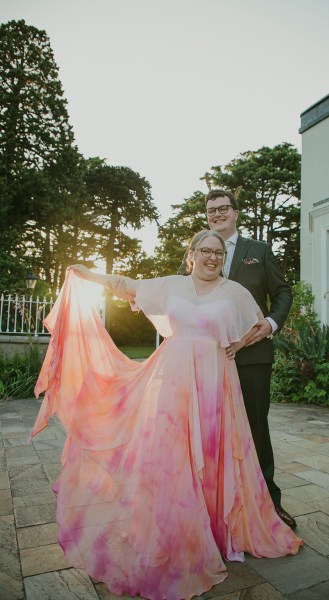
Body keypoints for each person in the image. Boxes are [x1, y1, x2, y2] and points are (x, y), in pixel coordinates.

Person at [30, 230, 302, 600]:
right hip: (173, 380)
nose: (211, 257)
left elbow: (257, 324)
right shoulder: (171, 285)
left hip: (215, 382)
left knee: (211, 454)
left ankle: (215, 531)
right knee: (173, 458)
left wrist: (237, 345)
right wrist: (89, 273)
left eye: (218, 253)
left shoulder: (235, 293)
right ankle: (175, 533)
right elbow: (126, 283)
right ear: (191, 255)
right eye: (204, 251)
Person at [179, 190, 296, 529]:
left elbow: (283, 291)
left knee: (256, 429)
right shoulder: (199, 250)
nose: (217, 214)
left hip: (252, 357)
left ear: (235, 212)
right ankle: (214, 506)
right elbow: (179, 289)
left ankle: (270, 505)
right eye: (210, 210)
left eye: (223, 208)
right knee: (209, 432)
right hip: (205, 360)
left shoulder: (258, 251)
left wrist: (271, 323)